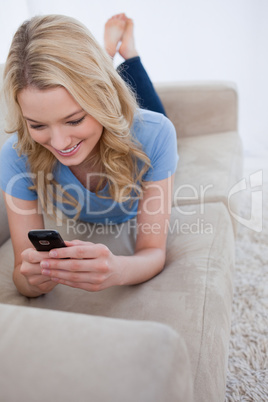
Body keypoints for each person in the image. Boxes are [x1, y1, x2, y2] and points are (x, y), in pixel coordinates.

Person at [0, 13, 178, 298]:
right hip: (101, 102)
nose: (59, 143)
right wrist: (33, 280)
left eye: (74, 121)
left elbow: (153, 252)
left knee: (151, 112)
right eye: (38, 125)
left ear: (102, 101)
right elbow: (22, 271)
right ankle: (103, 56)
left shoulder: (155, 134)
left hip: (129, 123)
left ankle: (126, 53)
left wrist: (117, 269)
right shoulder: (15, 155)